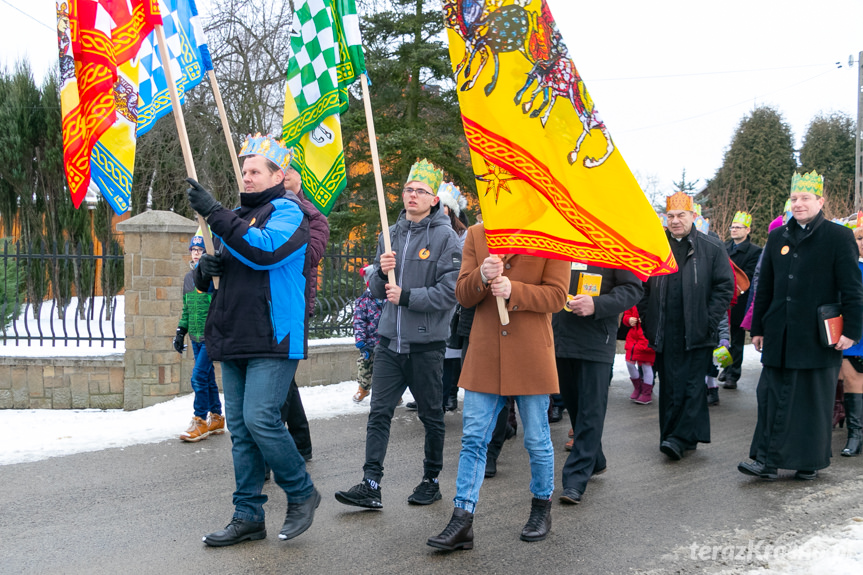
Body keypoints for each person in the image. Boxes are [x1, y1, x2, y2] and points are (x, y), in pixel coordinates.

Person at [186, 133, 320, 546]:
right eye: (244, 171)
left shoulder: (290, 212)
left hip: (273, 336)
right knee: (242, 430)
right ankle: (248, 515)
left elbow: (264, 252)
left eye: (256, 170)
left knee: (261, 418)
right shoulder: (236, 221)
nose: (247, 177)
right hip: (235, 334)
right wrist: (205, 271)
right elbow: (227, 272)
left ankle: (301, 491)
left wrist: (214, 212)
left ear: (278, 175)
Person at [427, 224, 569, 550]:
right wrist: (481, 274)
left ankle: (540, 509)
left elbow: (558, 296)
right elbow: (462, 293)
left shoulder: (552, 232)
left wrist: (514, 290)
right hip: (486, 354)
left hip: (532, 355)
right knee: (474, 438)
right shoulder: (478, 233)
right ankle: (462, 519)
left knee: (536, 439)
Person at [335, 159, 461, 509]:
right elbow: (376, 290)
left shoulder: (446, 237)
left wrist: (407, 296)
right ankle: (370, 484)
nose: (413, 196)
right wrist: (380, 272)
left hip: (426, 344)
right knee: (378, 413)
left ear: (434, 199)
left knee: (431, 415)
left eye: (421, 191)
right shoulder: (389, 235)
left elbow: (449, 293)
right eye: (409, 190)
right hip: (389, 341)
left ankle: (431, 479)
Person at [739, 171, 863, 480]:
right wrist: (758, 327)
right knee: (770, 396)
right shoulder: (777, 236)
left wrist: (852, 332)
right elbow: (764, 285)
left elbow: (852, 289)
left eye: (805, 198)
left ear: (820, 201)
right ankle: (765, 461)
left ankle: (809, 462)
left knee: (811, 401)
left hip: (817, 337)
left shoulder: (838, 237)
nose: (799, 203)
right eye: (794, 198)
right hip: (779, 334)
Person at [639, 191, 734, 461]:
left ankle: (678, 439)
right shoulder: (657, 247)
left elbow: (725, 287)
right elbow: (643, 288)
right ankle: (673, 436)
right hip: (664, 330)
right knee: (669, 385)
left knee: (692, 386)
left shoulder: (712, 247)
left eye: (681, 215)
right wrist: (648, 320)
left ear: (694, 216)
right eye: (670, 216)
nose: (675, 220)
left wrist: (709, 319)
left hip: (697, 330)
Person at [553, 263, 642, 505]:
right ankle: (596, 458)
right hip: (560, 339)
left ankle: (575, 479)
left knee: (591, 410)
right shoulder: (560, 242)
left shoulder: (611, 245)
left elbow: (633, 288)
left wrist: (597, 305)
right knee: (575, 407)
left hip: (596, 341)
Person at [275, 156, 331, 463]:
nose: (285, 175)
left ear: (301, 177)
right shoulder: (261, 211)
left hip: (293, 305)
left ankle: (277, 449)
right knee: (281, 377)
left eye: (291, 170)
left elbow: (309, 256)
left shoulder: (313, 217)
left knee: (279, 375)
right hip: (263, 305)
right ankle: (301, 442)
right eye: (280, 169)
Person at [173, 234, 224, 442]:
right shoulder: (187, 278)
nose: (196, 253)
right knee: (207, 377)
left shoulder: (213, 278)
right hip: (194, 336)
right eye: (193, 250)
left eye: (200, 250)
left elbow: (220, 307)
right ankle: (217, 417)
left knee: (197, 377)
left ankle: (200, 420)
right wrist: (180, 331)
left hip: (209, 336)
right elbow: (186, 308)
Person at [719, 211, 761, 390]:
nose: (734, 230)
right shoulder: (723, 247)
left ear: (747, 230)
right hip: (722, 300)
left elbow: (749, 276)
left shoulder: (754, 251)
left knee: (736, 340)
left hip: (739, 301)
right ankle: (725, 366)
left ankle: (733, 374)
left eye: (738, 227)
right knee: (720, 339)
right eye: (732, 227)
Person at [840, 226, 863, 456]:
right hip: (855, 333)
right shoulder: (847, 266)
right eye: (860, 237)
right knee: (852, 380)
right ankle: (855, 435)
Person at [352, 265, 383, 403]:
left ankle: (391, 393)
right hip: (369, 343)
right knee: (365, 366)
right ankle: (363, 388)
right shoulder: (363, 301)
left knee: (386, 370)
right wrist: (360, 341)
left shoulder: (388, 298)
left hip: (386, 342)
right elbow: (359, 322)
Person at [623, 305, 655, 405]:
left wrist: (646, 320)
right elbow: (626, 314)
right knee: (629, 363)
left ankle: (646, 393)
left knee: (646, 366)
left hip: (646, 337)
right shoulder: (634, 300)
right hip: (633, 338)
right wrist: (628, 319)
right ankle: (638, 387)